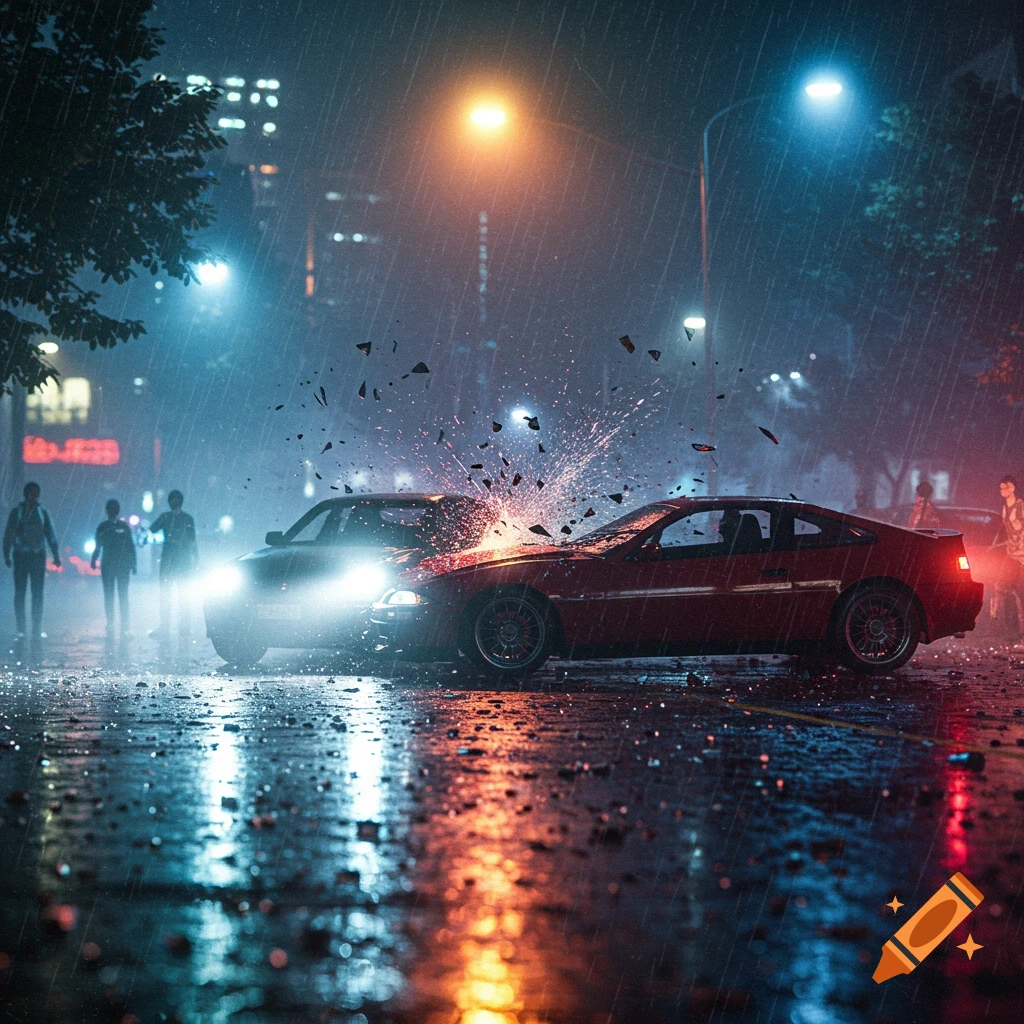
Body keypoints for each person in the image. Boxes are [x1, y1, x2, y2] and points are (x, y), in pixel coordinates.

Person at [3, 481, 61, 639]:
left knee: (37, 593)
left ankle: (36, 628)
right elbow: (9, 533)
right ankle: (21, 629)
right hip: (21, 555)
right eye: (30, 491)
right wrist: (6, 554)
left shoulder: (43, 512)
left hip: (37, 556)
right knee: (20, 593)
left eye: (35, 492)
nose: (33, 494)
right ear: (26, 493)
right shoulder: (17, 512)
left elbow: (50, 534)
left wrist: (56, 555)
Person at [148, 490, 199, 639]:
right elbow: (153, 528)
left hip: (177, 560)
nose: (173, 502)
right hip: (174, 560)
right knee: (170, 595)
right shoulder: (174, 517)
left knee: (180, 595)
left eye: (175, 500)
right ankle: (171, 627)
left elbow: (192, 540)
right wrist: (195, 559)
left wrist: (195, 559)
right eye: (172, 499)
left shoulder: (180, 518)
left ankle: (180, 627)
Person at [91, 499, 136, 636]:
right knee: (113, 594)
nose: (112, 511)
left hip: (117, 565)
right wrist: (94, 559)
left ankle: (122, 623)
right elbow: (98, 545)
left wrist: (133, 563)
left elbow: (130, 546)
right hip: (112, 565)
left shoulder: (107, 527)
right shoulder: (106, 527)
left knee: (118, 594)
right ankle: (113, 622)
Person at [993, 475, 1024, 636]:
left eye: (1007, 487)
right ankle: (1011, 629)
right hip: (1012, 554)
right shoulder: (1005, 507)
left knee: (1018, 590)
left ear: (1014, 488)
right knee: (1002, 586)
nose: (1004, 490)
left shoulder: (1021, 506)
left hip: (1022, 554)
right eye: (1001, 488)